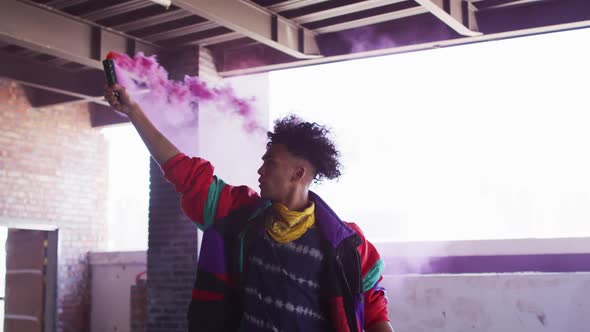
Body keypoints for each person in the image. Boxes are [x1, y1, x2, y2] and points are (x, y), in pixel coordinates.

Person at [104, 84, 393, 332]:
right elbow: (184, 174)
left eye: (270, 162)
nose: (260, 170)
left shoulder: (348, 245)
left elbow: (375, 315)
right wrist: (133, 112)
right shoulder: (239, 217)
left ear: (298, 173)